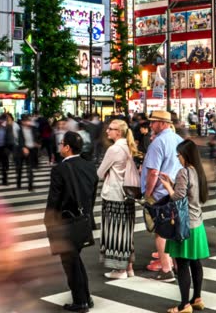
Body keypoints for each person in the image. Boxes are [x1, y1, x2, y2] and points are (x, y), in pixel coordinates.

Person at [44, 131, 99, 313]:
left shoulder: (59, 169)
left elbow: (54, 199)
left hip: (66, 222)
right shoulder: (90, 166)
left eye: (61, 144)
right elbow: (91, 196)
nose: (60, 147)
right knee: (75, 260)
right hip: (83, 221)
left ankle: (80, 301)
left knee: (70, 263)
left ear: (67, 147)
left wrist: (49, 221)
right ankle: (85, 297)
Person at [158, 139, 210, 313]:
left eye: (179, 155)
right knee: (195, 262)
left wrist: (167, 186)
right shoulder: (198, 171)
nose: (178, 158)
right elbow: (189, 194)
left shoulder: (183, 172)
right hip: (198, 223)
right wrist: (172, 183)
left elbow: (177, 197)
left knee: (182, 265)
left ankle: (184, 305)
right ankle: (197, 299)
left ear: (185, 155)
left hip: (184, 225)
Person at [142, 110, 183, 281]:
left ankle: (166, 269)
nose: (151, 125)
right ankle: (176, 265)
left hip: (159, 193)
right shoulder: (178, 139)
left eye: (153, 122)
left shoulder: (158, 142)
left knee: (161, 231)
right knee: (173, 229)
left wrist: (147, 193)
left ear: (163, 123)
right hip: (175, 190)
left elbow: (153, 172)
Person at [96, 119, 138, 279]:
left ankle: (119, 270)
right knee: (126, 231)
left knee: (114, 232)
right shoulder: (129, 147)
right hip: (128, 194)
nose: (107, 131)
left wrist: (107, 173)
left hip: (114, 194)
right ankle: (129, 267)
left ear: (118, 132)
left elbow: (100, 172)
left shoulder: (114, 149)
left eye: (111, 129)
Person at [15, 115, 38, 191]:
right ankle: (18, 183)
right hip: (21, 151)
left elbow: (37, 137)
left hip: (31, 151)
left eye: (29, 121)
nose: (28, 122)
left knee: (30, 169)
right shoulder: (20, 130)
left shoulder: (33, 129)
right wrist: (23, 147)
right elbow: (20, 140)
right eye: (27, 121)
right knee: (19, 168)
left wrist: (37, 143)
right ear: (23, 122)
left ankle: (30, 186)